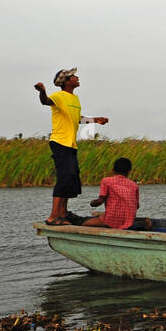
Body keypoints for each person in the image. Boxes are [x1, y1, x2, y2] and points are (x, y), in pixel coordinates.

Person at [34, 68, 108, 225]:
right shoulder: (59, 96)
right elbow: (45, 101)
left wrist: (96, 119)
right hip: (59, 142)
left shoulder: (75, 99)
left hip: (71, 144)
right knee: (64, 177)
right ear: (66, 81)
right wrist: (42, 91)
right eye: (74, 76)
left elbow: (77, 118)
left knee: (71, 178)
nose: (77, 77)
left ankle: (63, 213)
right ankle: (53, 217)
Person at [82, 157, 151, 230]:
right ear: (128, 171)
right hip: (129, 221)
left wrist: (93, 203)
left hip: (111, 221)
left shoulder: (106, 181)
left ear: (113, 170)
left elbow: (101, 200)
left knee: (84, 224)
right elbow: (136, 206)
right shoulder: (134, 185)